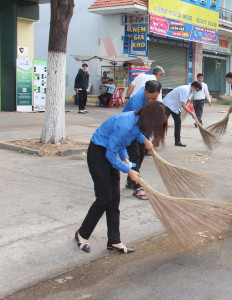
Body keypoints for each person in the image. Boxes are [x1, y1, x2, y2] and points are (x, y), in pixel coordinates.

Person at [75, 101, 168, 254]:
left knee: (114, 199)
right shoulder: (125, 123)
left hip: (109, 152)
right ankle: (82, 234)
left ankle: (114, 241)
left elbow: (125, 141)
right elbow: (110, 153)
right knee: (104, 198)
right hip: (98, 153)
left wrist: (139, 146)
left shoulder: (137, 121)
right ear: (150, 119)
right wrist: (129, 171)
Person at [123, 80, 162, 200]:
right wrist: (145, 140)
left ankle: (131, 180)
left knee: (141, 155)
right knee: (134, 155)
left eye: (153, 98)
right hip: (128, 127)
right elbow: (134, 126)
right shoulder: (136, 102)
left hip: (141, 126)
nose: (150, 101)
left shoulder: (156, 97)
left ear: (159, 93)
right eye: (148, 98)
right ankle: (137, 187)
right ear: (144, 91)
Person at [162, 81, 200, 147]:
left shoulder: (191, 91)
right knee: (162, 123)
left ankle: (177, 141)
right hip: (167, 105)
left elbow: (188, 99)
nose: (196, 92)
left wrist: (188, 100)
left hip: (175, 107)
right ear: (193, 87)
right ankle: (157, 140)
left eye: (198, 91)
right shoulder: (185, 90)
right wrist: (192, 113)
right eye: (196, 90)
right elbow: (183, 105)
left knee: (178, 122)